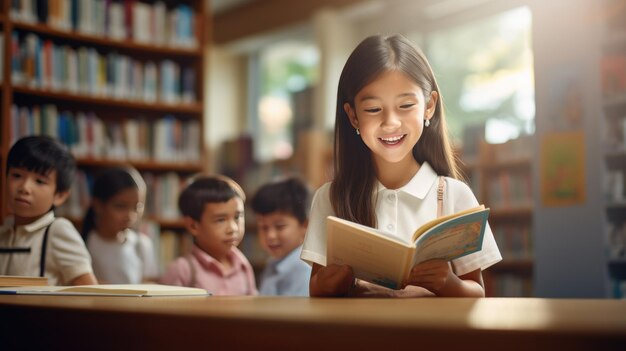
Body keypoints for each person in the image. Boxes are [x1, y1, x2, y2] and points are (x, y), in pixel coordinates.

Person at [301, 34, 502, 297]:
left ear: (429, 106)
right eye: (373, 109)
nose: (391, 122)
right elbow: (316, 288)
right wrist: (335, 281)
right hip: (358, 338)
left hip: (428, 338)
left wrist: (448, 283)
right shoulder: (331, 198)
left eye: (406, 105)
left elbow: (477, 292)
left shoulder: (455, 195)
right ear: (353, 116)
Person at [0, 136, 97, 286]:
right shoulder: (4, 231)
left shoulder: (57, 231)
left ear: (60, 195)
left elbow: (89, 291)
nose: (24, 187)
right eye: (16, 175)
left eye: (39, 181)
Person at [159, 175, 257, 295]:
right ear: (193, 226)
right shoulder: (183, 270)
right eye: (221, 220)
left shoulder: (243, 265)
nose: (233, 228)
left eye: (237, 217)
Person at [81, 167, 158, 284]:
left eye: (137, 207)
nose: (131, 216)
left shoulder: (142, 245)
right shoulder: (83, 245)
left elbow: (150, 286)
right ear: (98, 205)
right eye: (120, 206)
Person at [251, 177, 312, 296]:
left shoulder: (305, 270)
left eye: (280, 226)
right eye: (264, 227)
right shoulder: (273, 263)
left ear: (305, 226)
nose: (270, 236)